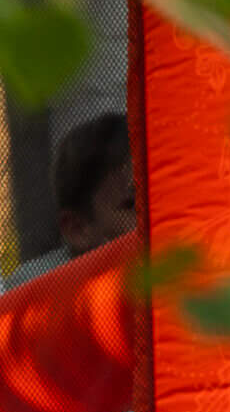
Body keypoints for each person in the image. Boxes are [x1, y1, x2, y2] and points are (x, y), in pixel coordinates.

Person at [9, 112, 136, 286]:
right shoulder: (34, 293)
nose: (155, 216)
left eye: (158, 199)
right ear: (78, 228)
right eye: (133, 205)